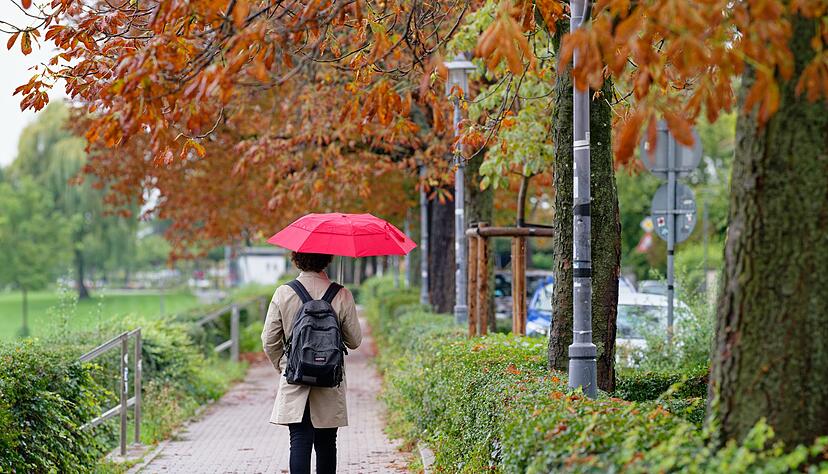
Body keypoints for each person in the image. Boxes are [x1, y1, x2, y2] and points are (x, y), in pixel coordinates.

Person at [261, 251, 362, 474]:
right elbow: (354, 341)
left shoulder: (284, 293)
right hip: (329, 378)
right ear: (327, 259)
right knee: (327, 442)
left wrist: (284, 366)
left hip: (296, 377)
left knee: (299, 440)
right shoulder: (341, 293)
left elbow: (269, 340)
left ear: (296, 259)